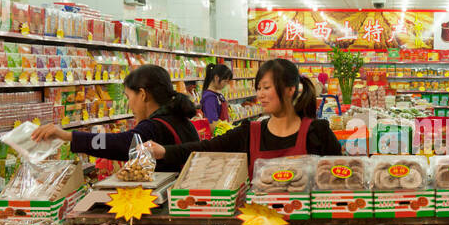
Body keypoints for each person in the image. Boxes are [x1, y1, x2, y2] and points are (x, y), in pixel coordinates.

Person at [149, 57, 341, 173]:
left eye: (266, 87)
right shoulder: (251, 132)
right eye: (258, 88)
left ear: (290, 90)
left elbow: (338, 178)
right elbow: (206, 147)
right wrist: (165, 151)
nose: (260, 94)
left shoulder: (317, 131)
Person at [31, 63, 199, 172]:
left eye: (128, 97)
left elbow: (119, 143)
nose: (129, 104)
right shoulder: (182, 120)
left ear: (142, 94)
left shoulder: (153, 127)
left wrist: (68, 136)